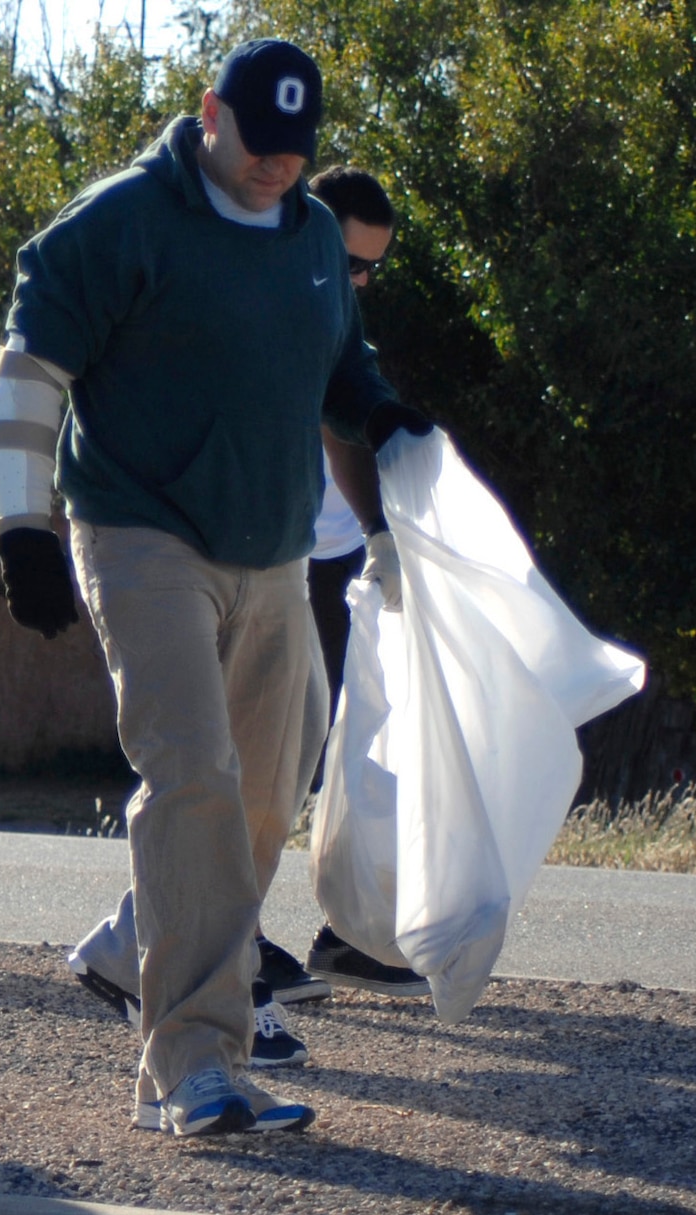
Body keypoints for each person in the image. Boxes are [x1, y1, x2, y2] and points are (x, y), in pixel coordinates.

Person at [0, 39, 429, 1136]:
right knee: (191, 775)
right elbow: (24, 375)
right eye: (257, 144)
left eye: (294, 151)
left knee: (265, 793)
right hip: (141, 535)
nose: (275, 167)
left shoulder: (313, 236)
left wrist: (380, 418)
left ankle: (141, 941)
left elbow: (338, 369)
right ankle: (193, 1066)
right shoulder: (121, 221)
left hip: (271, 549)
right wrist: (20, 529)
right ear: (207, 113)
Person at [300, 163, 430, 998]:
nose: (361, 282)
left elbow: (342, 424)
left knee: (359, 754)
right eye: (351, 262)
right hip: (258, 554)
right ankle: (199, 941)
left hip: (336, 561)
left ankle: (350, 932)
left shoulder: (341, 323)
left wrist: (381, 533)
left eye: (374, 269)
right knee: (258, 756)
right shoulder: (267, 297)